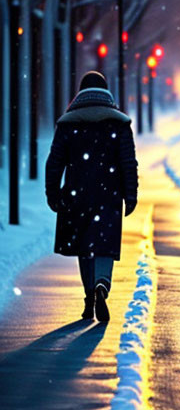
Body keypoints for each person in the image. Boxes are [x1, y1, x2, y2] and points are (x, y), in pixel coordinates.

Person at [45, 72, 138, 322]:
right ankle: (101, 286)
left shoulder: (67, 124)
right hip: (109, 194)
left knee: (83, 246)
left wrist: (53, 193)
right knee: (104, 244)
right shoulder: (119, 124)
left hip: (77, 194)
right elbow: (128, 163)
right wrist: (130, 195)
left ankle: (88, 297)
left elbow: (54, 163)